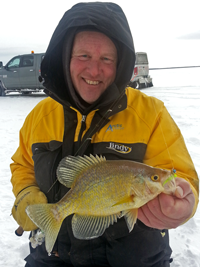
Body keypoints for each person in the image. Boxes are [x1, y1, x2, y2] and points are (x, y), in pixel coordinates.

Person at [10, 2, 199, 267]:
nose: (94, 70)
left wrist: (184, 199)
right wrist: (25, 192)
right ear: (65, 57)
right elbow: (22, 165)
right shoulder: (40, 116)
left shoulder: (151, 113)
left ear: (120, 63)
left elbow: (179, 174)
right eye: (84, 56)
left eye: (106, 59)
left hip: (135, 259)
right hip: (54, 257)